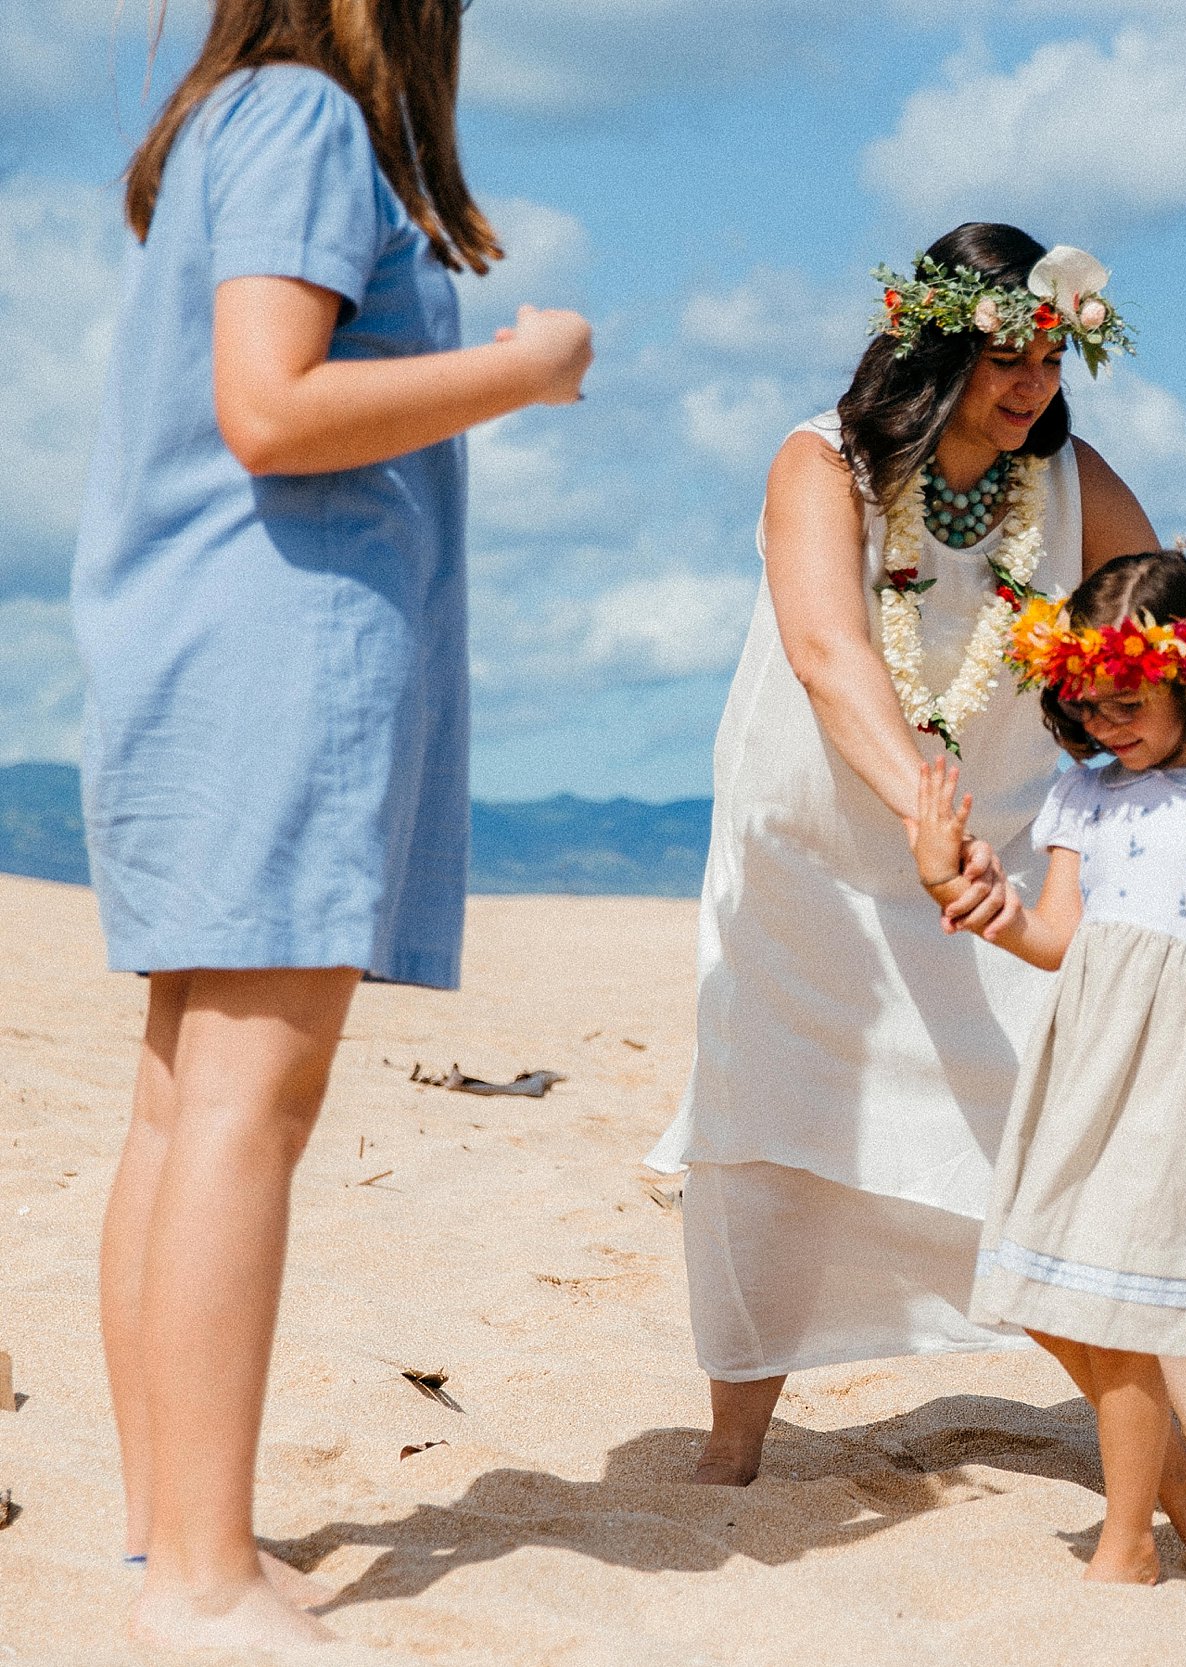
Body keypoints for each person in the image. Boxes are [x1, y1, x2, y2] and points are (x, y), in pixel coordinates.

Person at [643, 224, 1186, 1492]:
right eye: (1007, 360)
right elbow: (831, 656)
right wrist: (916, 811)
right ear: (935, 346)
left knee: (1058, 1136)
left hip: (1001, 862)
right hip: (816, 864)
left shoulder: (1070, 483)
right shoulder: (818, 465)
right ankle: (734, 1445)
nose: (1032, 390)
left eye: (1053, 363)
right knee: (772, 1132)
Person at [76, 1, 593, 1648]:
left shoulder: (235, 118)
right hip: (275, 651)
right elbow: (273, 407)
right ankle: (208, 1574)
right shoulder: (306, 120)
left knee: (180, 1100)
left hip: (190, 646)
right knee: (244, 1104)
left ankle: (176, 1534)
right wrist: (520, 369)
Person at [906, 550, 1186, 1582]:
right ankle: (1178, 1476)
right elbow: (1060, 937)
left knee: (1127, 1303)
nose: (1107, 723)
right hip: (1089, 1053)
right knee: (1043, 1287)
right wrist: (981, 904)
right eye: (1089, 705)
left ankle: (1128, 1546)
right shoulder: (1087, 794)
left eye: (1129, 701)